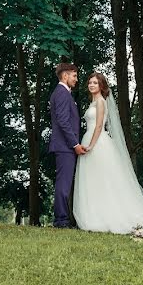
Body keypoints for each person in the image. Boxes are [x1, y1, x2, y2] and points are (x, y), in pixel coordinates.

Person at [72, 72, 143, 236]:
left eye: (95, 82)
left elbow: (98, 126)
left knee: (105, 180)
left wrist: (91, 145)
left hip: (98, 143)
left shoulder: (101, 102)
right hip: (89, 139)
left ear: (101, 86)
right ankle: (95, 215)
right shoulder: (92, 102)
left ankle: (109, 216)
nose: (91, 85)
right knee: (94, 179)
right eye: (90, 82)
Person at [47, 62, 86, 228]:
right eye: (74, 76)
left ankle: (62, 218)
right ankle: (61, 220)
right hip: (65, 147)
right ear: (65, 75)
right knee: (63, 184)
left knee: (64, 183)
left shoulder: (63, 93)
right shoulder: (62, 93)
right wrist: (75, 144)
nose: (76, 79)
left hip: (64, 146)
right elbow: (63, 121)